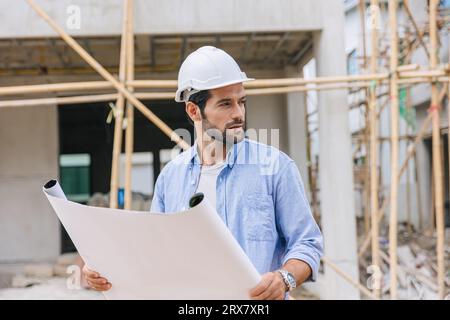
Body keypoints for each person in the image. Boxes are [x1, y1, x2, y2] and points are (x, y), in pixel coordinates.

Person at [83, 46, 323, 300]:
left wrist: (283, 279)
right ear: (193, 110)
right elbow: (154, 253)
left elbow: (308, 243)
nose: (238, 113)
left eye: (242, 101)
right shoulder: (170, 179)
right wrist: (106, 269)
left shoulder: (276, 168)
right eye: (225, 104)